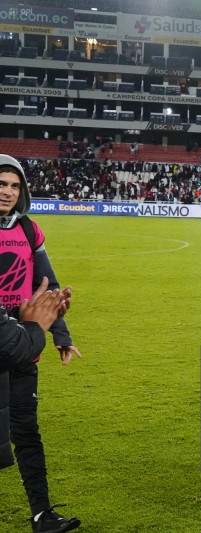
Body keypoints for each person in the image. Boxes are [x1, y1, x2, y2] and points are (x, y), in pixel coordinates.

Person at [0, 155, 82, 533]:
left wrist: (60, 335)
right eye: (2, 184)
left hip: (21, 342)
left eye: (15, 186)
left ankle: (42, 515)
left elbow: (46, 285)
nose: (7, 192)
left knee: (26, 432)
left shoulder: (30, 230)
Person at [1, 279, 69, 470]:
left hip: (21, 367)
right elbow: (8, 348)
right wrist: (34, 324)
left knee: (27, 434)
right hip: (20, 361)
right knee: (26, 435)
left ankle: (40, 501)